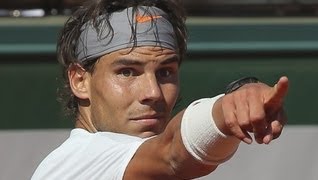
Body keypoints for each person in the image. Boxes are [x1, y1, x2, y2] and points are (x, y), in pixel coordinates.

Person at [32, 0, 289, 179]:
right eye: (127, 72)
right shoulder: (78, 162)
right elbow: (172, 154)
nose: (153, 92)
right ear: (80, 81)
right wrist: (227, 109)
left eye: (165, 72)